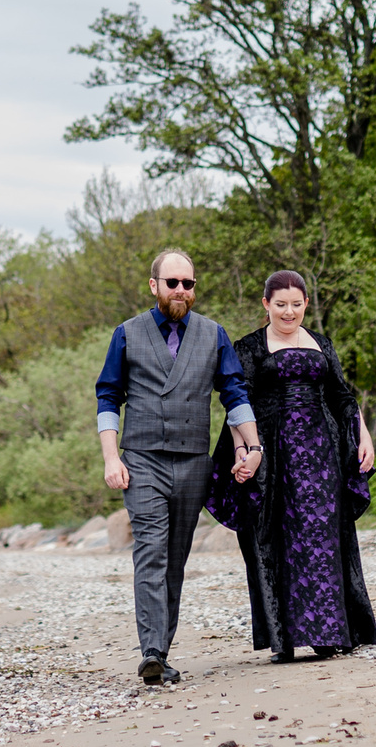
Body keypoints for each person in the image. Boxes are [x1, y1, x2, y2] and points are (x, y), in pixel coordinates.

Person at [97, 249, 262, 684]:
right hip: (142, 460)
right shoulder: (127, 334)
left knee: (175, 558)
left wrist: (253, 445)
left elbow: (235, 395)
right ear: (154, 286)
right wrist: (111, 457)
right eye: (172, 283)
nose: (181, 291)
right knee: (150, 550)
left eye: (188, 284)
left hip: (193, 463)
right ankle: (150, 650)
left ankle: (161, 651)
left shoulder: (214, 335)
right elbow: (108, 397)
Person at [208, 270, 376, 663]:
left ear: (306, 304)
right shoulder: (248, 347)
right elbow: (237, 403)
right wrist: (243, 450)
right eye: (280, 304)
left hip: (325, 454)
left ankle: (331, 632)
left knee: (325, 539)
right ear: (266, 304)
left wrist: (363, 436)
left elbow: (343, 397)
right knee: (278, 539)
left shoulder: (322, 344)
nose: (289, 312)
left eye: (296, 304)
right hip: (273, 454)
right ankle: (285, 638)